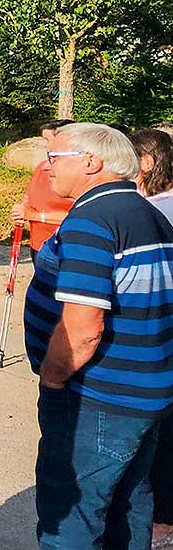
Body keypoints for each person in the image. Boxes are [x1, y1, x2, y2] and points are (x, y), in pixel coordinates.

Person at [23, 123, 173, 550]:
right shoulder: (149, 213)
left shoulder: (94, 218)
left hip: (98, 395)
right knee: (128, 504)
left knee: (71, 516)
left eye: (55, 157)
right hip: (144, 393)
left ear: (91, 162)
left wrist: (52, 380)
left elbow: (84, 327)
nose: (47, 166)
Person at [128, 129, 173, 550]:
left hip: (155, 352)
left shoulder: (158, 213)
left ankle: (161, 526)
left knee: (159, 445)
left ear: (145, 163)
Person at [11, 119, 76, 261]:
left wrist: (36, 216)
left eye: (47, 140)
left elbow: (80, 217)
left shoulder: (75, 174)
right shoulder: (42, 167)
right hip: (38, 244)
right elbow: (29, 196)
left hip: (63, 246)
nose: (44, 145)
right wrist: (21, 210)